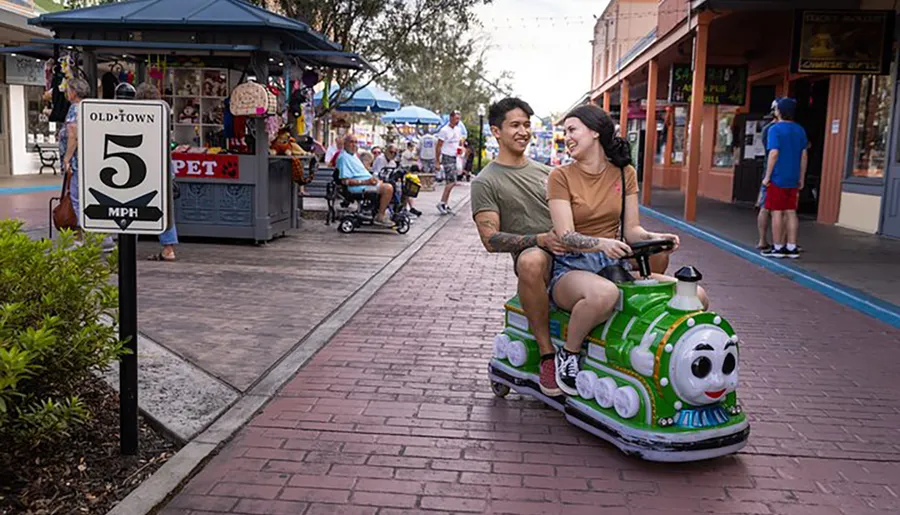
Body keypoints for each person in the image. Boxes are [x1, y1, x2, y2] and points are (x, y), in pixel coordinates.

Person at [547, 105, 707, 396]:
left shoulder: (624, 173)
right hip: (572, 267)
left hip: (613, 263)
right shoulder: (561, 176)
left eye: (572, 130)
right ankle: (568, 355)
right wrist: (601, 243)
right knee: (604, 293)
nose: (566, 137)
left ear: (595, 132)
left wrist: (656, 236)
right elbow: (566, 236)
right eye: (565, 131)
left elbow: (632, 230)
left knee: (696, 295)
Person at [471, 97, 566, 396]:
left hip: (570, 248)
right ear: (496, 131)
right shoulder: (486, 182)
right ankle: (547, 355)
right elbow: (490, 239)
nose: (523, 131)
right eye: (515, 125)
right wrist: (538, 240)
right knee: (531, 261)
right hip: (537, 256)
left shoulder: (549, 172)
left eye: (527, 125)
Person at [129, 82, 179, 261]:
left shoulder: (134, 115)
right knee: (164, 209)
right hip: (164, 167)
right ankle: (168, 247)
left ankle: (128, 245)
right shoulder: (164, 110)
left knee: (131, 205)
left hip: (138, 168)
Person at [761, 98, 808, 259]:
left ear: (779, 111)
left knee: (776, 212)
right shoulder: (800, 130)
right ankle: (792, 246)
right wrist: (801, 177)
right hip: (793, 177)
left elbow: (774, 153)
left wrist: (767, 176)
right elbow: (804, 155)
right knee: (791, 212)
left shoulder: (775, 130)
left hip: (778, 177)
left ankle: (778, 247)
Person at [336, 133, 394, 226]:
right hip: (358, 187)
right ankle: (380, 217)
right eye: (351, 142)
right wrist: (366, 182)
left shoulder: (353, 156)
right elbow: (345, 181)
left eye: (356, 142)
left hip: (367, 183)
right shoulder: (344, 158)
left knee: (390, 183)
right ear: (345, 143)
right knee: (388, 188)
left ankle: (380, 211)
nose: (354, 144)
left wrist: (373, 180)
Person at [435, 110, 464, 215]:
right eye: (456, 118)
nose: (457, 121)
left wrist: (461, 148)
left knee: (452, 181)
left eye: (459, 119)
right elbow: (438, 146)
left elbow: (460, 141)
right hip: (447, 156)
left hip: (455, 156)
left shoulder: (458, 130)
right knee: (451, 181)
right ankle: (442, 202)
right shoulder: (444, 131)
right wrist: (437, 161)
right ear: (451, 118)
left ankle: (445, 203)